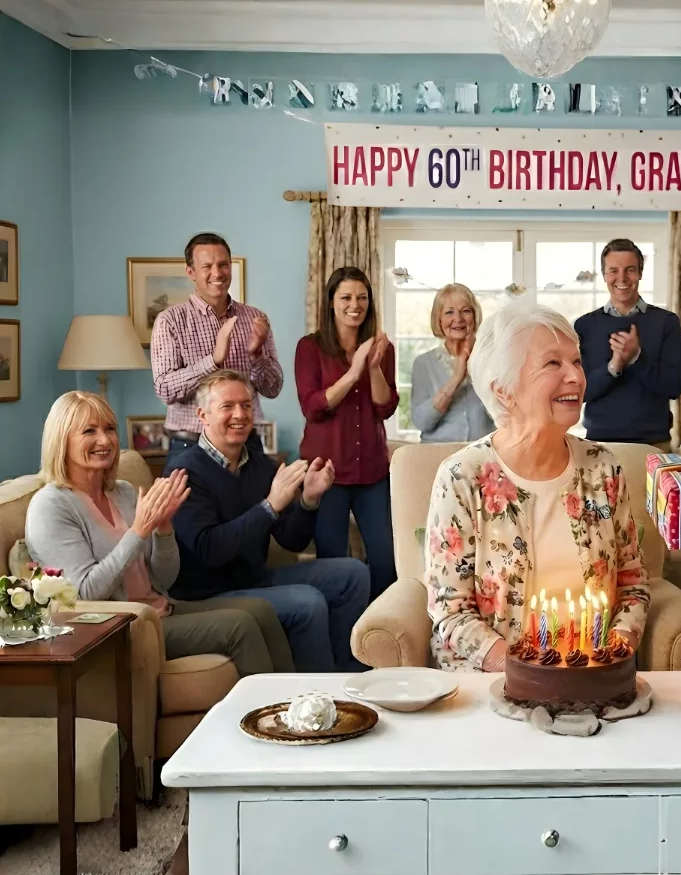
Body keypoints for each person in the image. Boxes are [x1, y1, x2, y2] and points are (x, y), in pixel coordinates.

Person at [425, 301, 650, 671]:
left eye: (576, 362)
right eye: (552, 363)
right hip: (493, 685)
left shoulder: (603, 468)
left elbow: (632, 584)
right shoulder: (462, 477)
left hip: (593, 676)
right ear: (504, 391)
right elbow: (451, 612)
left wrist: (613, 655)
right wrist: (525, 672)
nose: (576, 377)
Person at [24, 391, 293, 677]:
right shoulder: (50, 506)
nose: (104, 441)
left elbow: (164, 579)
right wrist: (139, 530)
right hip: (120, 627)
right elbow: (84, 592)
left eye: (110, 429)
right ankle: (269, 716)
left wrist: (163, 529)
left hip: (160, 609)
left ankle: (298, 704)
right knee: (240, 627)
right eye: (89, 431)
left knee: (261, 611)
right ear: (61, 440)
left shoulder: (123, 492)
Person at [169, 370, 371, 672]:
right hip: (207, 595)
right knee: (307, 601)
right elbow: (208, 549)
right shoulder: (185, 472)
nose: (240, 414)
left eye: (247, 405)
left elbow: (292, 540)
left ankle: (347, 677)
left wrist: (308, 500)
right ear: (203, 415)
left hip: (255, 580)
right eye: (228, 406)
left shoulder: (260, 466)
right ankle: (314, 697)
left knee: (354, 573)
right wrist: (269, 506)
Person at [294, 267, 398, 597]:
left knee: (386, 561)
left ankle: (379, 632)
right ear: (331, 302)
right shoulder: (309, 348)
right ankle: (341, 636)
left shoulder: (384, 349)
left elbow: (385, 407)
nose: (355, 305)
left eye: (362, 298)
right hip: (327, 475)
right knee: (334, 563)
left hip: (372, 472)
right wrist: (354, 373)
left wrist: (372, 367)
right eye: (346, 297)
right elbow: (312, 405)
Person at [151, 232, 283, 468]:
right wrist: (212, 361)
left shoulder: (255, 318)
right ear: (190, 272)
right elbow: (164, 389)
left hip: (246, 443)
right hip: (191, 445)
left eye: (223, 265)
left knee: (260, 506)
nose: (217, 273)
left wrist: (256, 356)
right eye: (207, 266)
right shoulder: (170, 320)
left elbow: (273, 388)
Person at [574, 238, 681, 450]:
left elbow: (673, 387)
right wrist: (614, 366)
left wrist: (636, 358)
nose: (622, 278)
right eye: (613, 270)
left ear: (640, 273)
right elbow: (582, 392)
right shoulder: (585, 325)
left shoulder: (666, 322)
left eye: (630, 270)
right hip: (597, 445)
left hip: (654, 445)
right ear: (604, 275)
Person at [410, 283, 494, 442]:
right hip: (438, 456)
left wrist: (477, 368)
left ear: (474, 316)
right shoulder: (423, 363)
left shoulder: (491, 359)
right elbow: (422, 422)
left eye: (466, 311)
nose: (458, 319)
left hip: (482, 455)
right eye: (449, 312)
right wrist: (457, 377)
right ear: (439, 319)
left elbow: (504, 415)